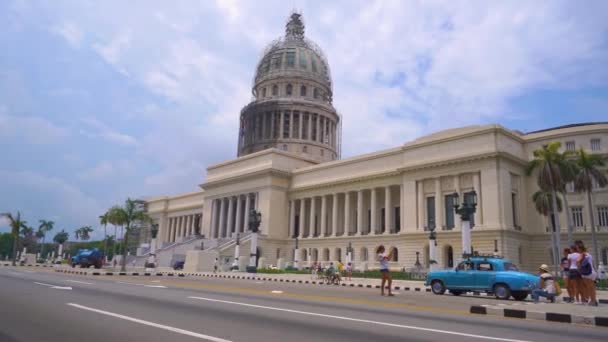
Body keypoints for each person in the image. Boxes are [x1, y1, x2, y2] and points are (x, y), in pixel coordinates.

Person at [576, 241, 598, 306]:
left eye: (578, 249)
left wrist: (579, 268)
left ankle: (592, 301)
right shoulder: (589, 255)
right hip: (592, 272)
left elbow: (578, 261)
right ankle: (594, 300)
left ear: (580, 249)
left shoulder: (582, 254)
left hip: (586, 273)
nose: (577, 250)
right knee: (592, 287)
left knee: (589, 287)